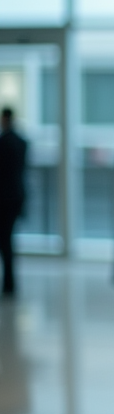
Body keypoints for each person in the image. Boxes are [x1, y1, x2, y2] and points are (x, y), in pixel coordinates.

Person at [0, 108, 26, 297]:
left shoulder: (3, 142)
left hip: (4, 199)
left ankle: (8, 284)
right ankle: (10, 283)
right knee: (8, 241)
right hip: (17, 197)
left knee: (5, 242)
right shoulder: (22, 141)